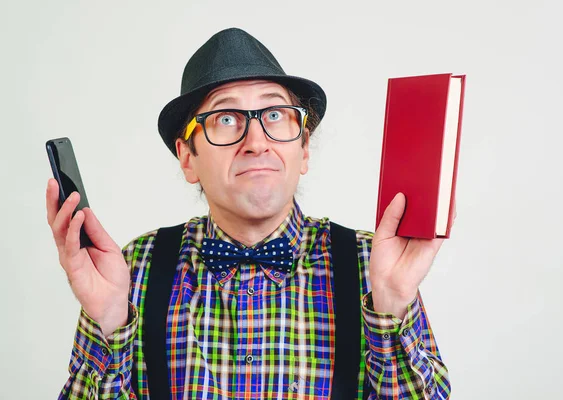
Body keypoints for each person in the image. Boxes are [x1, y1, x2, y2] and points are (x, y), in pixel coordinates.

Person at [48, 28, 453, 399]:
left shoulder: (371, 266)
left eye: (274, 114)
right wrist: (107, 323)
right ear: (188, 157)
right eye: (226, 118)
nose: (257, 141)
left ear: (304, 147)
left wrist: (395, 304)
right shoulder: (135, 268)